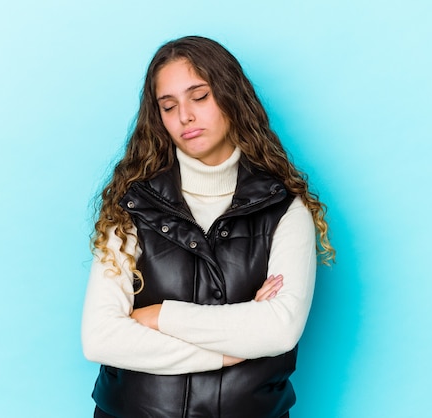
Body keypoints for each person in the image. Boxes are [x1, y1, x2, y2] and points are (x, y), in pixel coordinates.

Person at [81, 35, 335, 418]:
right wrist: (228, 351)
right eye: (169, 106)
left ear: (231, 97)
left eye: (199, 97)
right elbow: (100, 338)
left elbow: (279, 330)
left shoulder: (284, 208)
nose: (185, 116)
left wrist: (158, 316)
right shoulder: (131, 207)